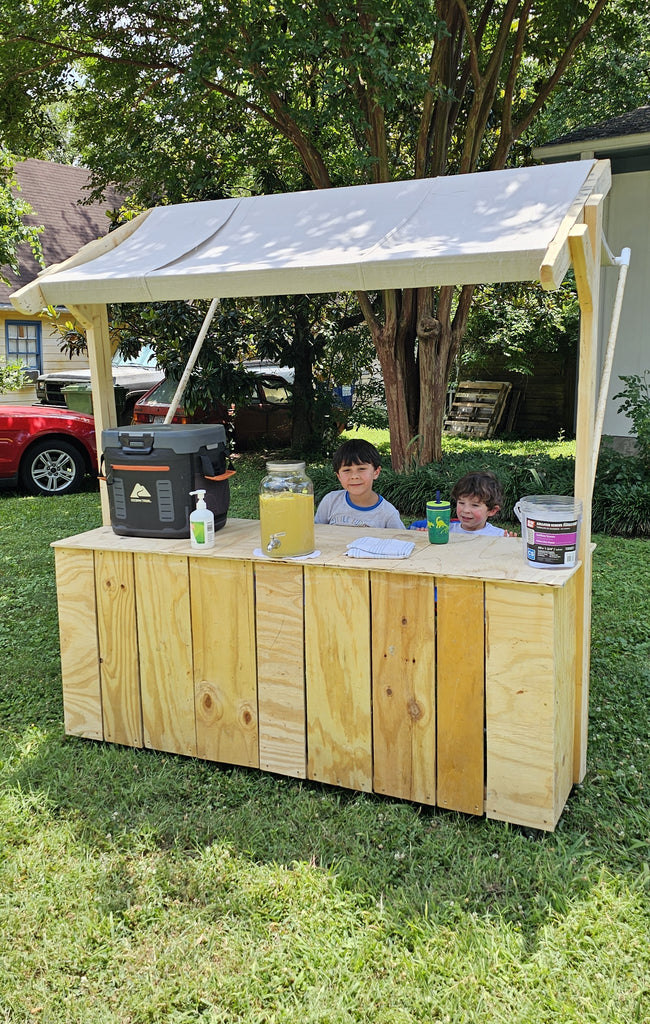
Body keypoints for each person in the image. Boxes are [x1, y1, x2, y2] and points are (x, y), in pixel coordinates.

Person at [314, 438, 406, 529]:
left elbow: (401, 540)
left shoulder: (388, 514)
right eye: (347, 470)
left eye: (362, 469)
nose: (354, 476)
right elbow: (316, 532)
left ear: (376, 472)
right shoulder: (330, 501)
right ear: (339, 476)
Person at [449, 470, 516, 537]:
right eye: (461, 503)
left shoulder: (499, 536)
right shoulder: (445, 530)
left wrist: (511, 545)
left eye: (475, 505)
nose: (465, 510)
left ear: (492, 510)